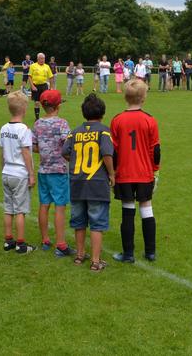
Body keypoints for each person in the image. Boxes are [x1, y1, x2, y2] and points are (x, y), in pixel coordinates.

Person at [62, 94, 115, 272]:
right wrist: (112, 174)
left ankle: (79, 255)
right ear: (103, 113)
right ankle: (95, 261)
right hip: (97, 183)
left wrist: (76, 160)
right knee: (97, 222)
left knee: (79, 221)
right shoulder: (104, 131)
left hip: (77, 181)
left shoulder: (74, 132)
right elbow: (107, 154)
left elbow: (65, 152)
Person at [111, 79, 160, 263]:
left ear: (125, 97)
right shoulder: (149, 120)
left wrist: (113, 172)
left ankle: (129, 254)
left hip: (123, 173)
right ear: (144, 98)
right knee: (146, 208)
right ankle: (150, 252)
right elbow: (155, 149)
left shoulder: (117, 120)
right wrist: (155, 171)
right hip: (144, 173)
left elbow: (113, 150)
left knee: (127, 209)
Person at [32, 89, 74, 256]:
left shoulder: (37, 124)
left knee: (44, 204)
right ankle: (61, 243)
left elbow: (34, 146)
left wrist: (44, 149)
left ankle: (45, 239)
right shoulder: (62, 123)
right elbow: (67, 145)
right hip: (59, 171)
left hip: (43, 170)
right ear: (58, 106)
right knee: (60, 207)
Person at [0, 91, 36, 254]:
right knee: (20, 209)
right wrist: (32, 174)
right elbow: (26, 153)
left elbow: (1, 152)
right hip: (20, 173)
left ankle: (8, 240)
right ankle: (21, 244)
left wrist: (3, 168)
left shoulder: (4, 128)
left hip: (7, 172)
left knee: (8, 208)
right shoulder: (24, 130)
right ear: (24, 109)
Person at [29, 53, 53, 121]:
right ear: (38, 59)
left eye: (44, 58)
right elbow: (30, 77)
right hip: (35, 86)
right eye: (41, 58)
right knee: (37, 103)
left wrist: (51, 88)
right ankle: (37, 118)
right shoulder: (33, 66)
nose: (43, 60)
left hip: (44, 86)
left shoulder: (47, 66)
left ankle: (49, 116)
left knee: (47, 102)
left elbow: (51, 77)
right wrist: (32, 86)